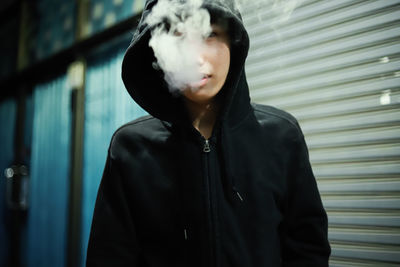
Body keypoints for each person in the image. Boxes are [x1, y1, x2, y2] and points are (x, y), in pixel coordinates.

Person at [86, 0, 331, 266]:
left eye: (210, 34)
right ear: (156, 51)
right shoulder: (131, 147)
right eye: (179, 37)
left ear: (233, 42)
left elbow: (308, 252)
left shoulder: (282, 137)